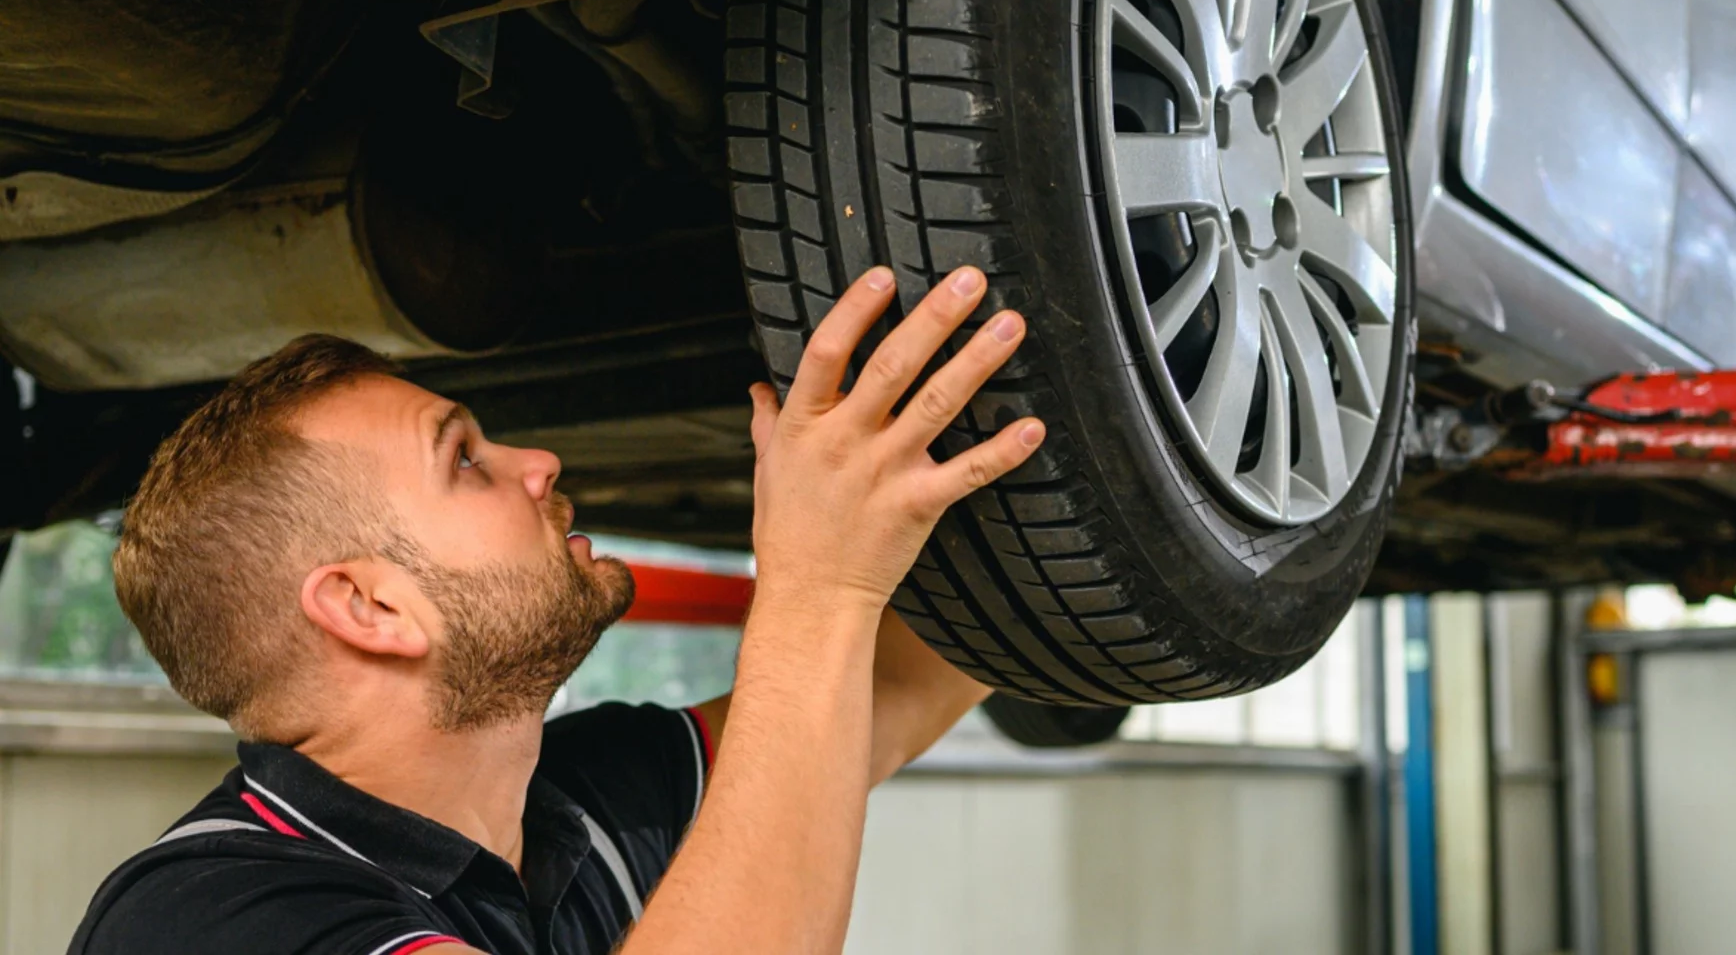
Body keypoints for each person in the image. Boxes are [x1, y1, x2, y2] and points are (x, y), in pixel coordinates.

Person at [67, 264, 1044, 955]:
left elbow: (891, 691)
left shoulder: (592, 806)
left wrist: (1092, 475)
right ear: (370, 605)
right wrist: (819, 586)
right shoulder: (205, 920)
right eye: (464, 459)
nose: (539, 466)